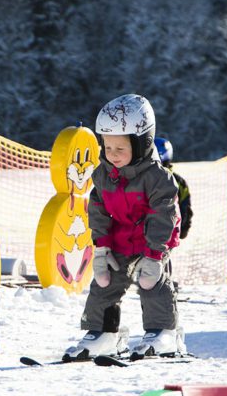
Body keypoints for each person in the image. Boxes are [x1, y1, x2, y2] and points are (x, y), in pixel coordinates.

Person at [64, 94, 183, 361]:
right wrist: (102, 247)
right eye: (108, 148)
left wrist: (154, 255)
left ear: (142, 144)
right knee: (104, 284)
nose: (113, 156)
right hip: (119, 242)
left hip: (152, 242)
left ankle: (163, 332)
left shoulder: (157, 179)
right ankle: (103, 334)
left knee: (153, 284)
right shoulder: (104, 175)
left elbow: (165, 216)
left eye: (121, 149)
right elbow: (98, 210)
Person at [154, 137, 192, 239]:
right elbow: (185, 208)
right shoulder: (179, 181)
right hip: (168, 236)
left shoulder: (178, 182)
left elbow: (185, 207)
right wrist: (182, 230)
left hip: (149, 236)